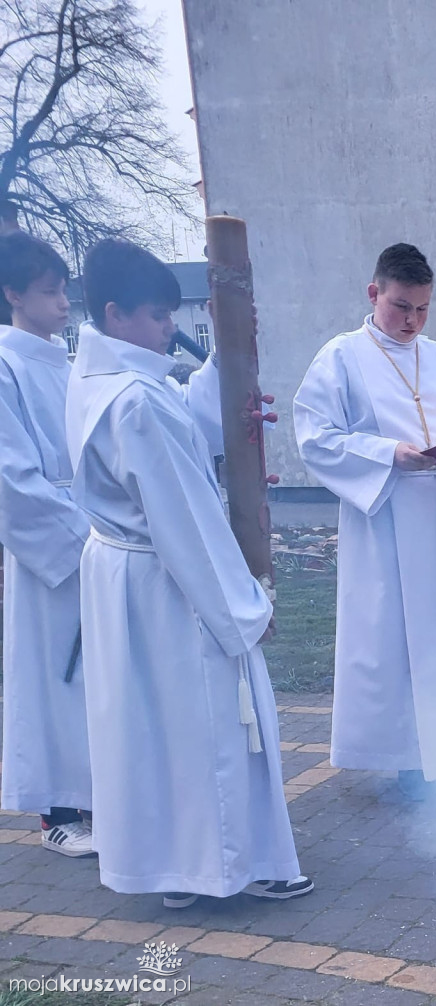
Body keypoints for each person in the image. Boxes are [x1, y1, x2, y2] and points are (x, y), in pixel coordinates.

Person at [65, 238, 311, 908]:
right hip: (170, 584)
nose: (169, 326)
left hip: (126, 581)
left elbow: (182, 434)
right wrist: (244, 609)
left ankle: (178, 868)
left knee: (157, 732)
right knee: (214, 722)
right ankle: (235, 865)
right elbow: (187, 517)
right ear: (115, 315)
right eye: (155, 315)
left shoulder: (97, 379)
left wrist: (227, 382)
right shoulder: (138, 399)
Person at [293, 243, 436, 801]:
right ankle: (409, 764)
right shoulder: (340, 357)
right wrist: (389, 454)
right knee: (397, 639)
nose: (411, 321)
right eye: (400, 307)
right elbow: (315, 439)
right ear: (373, 294)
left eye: (422, 309)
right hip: (387, 518)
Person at [0, 233, 92, 856]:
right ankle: (59, 812)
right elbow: (11, 474)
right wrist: (79, 538)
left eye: (64, 290)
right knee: (56, 674)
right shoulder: (5, 365)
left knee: (99, 674)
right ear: (13, 295)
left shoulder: (73, 360)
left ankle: (106, 795)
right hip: (52, 545)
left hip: (99, 529)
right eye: (49, 292)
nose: (63, 304)